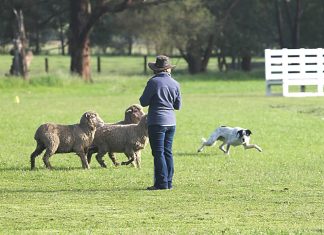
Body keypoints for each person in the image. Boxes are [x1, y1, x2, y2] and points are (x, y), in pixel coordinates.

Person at [139, 55, 181, 190]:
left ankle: (161, 183)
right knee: (167, 152)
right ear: (168, 69)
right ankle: (169, 182)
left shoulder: (153, 82)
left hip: (157, 121)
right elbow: (177, 105)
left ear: (156, 70)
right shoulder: (175, 83)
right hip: (171, 122)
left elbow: (143, 102)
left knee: (158, 152)